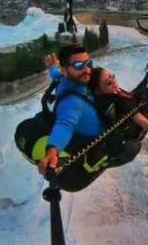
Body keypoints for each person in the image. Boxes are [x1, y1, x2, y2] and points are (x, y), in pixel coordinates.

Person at [37, 44, 104, 175]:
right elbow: (65, 124)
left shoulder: (64, 78)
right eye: (79, 65)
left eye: (88, 63)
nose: (87, 70)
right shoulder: (72, 102)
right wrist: (52, 150)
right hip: (97, 139)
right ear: (65, 70)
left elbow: (55, 74)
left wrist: (51, 67)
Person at [87, 67, 148, 157]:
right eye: (109, 83)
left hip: (120, 125)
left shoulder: (99, 98)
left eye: (113, 76)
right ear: (97, 91)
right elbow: (140, 120)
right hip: (128, 134)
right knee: (145, 93)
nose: (114, 82)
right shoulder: (117, 101)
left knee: (142, 91)